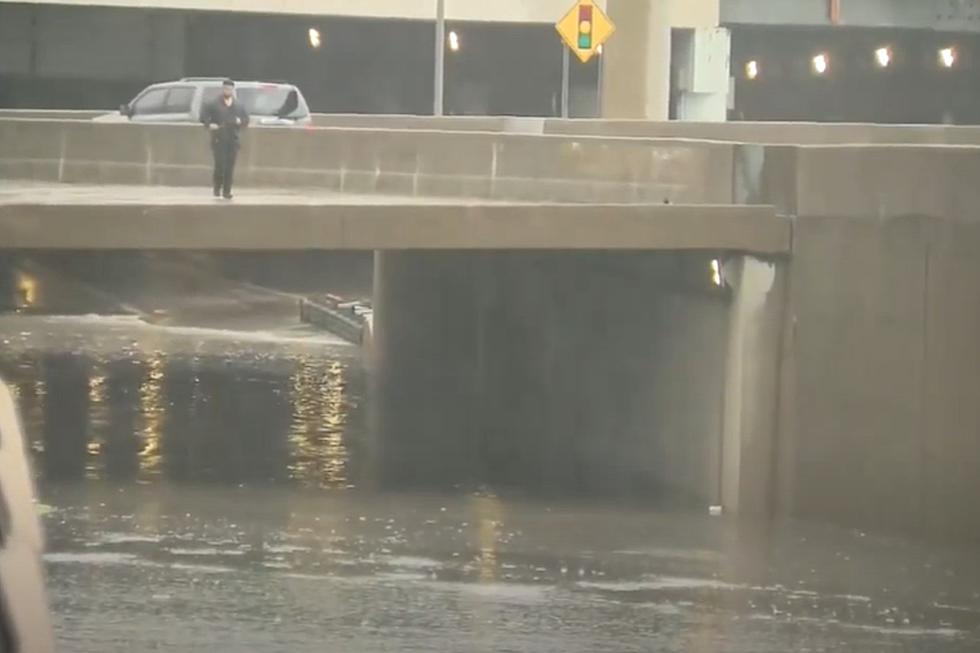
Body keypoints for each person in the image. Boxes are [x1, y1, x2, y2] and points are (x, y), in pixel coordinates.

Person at [200, 79, 249, 199]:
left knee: (230, 166)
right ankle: (217, 188)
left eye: (230, 89)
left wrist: (240, 122)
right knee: (220, 165)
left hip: (233, 139)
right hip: (219, 139)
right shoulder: (213, 103)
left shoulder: (238, 105)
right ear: (222, 89)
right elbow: (203, 116)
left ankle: (227, 191)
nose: (227, 91)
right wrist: (209, 124)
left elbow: (246, 120)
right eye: (225, 88)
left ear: (232, 90)